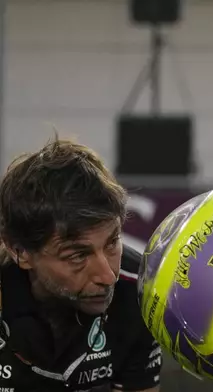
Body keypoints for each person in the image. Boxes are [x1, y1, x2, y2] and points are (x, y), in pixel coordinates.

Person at [0, 137, 162, 391]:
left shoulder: (140, 288)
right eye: (77, 255)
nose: (108, 277)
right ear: (20, 251)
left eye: (112, 243)